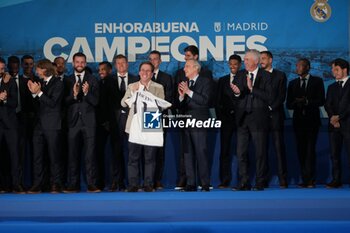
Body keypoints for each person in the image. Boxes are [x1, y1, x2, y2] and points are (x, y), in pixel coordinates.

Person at [121, 61, 166, 192]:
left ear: (152, 74)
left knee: (150, 157)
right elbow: (123, 103)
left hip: (151, 123)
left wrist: (146, 95)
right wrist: (133, 94)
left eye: (148, 71)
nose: (145, 73)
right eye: (142, 70)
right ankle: (133, 184)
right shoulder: (132, 86)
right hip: (134, 125)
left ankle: (148, 184)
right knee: (133, 157)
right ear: (139, 72)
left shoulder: (158, 87)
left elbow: (162, 105)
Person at [173, 45, 213, 190]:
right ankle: (190, 183)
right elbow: (179, 104)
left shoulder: (205, 82)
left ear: (195, 68)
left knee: (201, 151)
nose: (184, 69)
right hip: (185, 121)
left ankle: (205, 182)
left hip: (199, 121)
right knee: (187, 153)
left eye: (187, 67)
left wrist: (189, 92)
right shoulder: (184, 83)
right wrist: (181, 96)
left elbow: (204, 101)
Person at [232, 49, 272, 191]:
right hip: (243, 119)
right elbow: (236, 94)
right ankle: (244, 182)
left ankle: (261, 181)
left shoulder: (266, 76)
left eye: (247, 59)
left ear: (256, 61)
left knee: (260, 152)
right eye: (245, 59)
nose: (245, 62)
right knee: (241, 152)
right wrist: (237, 93)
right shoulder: (240, 74)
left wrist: (252, 88)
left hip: (259, 119)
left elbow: (269, 97)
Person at [63, 52, 100, 193]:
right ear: (73, 63)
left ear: (85, 63)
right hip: (73, 123)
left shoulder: (93, 80)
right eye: (77, 62)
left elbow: (96, 102)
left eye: (82, 62)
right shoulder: (67, 80)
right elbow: (64, 102)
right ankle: (73, 185)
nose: (80, 64)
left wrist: (86, 93)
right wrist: (73, 95)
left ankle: (91, 184)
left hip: (89, 123)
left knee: (90, 155)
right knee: (72, 154)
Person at [286, 58, 325, 188]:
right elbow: (289, 105)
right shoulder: (292, 84)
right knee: (301, 151)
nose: (297, 68)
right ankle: (305, 178)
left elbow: (321, 101)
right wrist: (297, 102)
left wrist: (307, 102)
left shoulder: (317, 81)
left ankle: (311, 179)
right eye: (296, 66)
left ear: (307, 67)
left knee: (310, 150)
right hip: (298, 123)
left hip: (312, 122)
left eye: (300, 66)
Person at [27, 59, 64, 194]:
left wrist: (39, 93)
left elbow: (53, 103)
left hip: (52, 125)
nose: (36, 71)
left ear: (44, 69)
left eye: (38, 69)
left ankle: (55, 183)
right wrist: (33, 93)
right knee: (37, 156)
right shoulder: (40, 83)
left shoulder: (58, 83)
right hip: (39, 125)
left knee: (54, 156)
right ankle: (38, 184)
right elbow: (37, 105)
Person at [108, 54, 139, 191]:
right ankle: (117, 181)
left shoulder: (135, 79)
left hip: (132, 120)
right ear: (115, 66)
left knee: (133, 151)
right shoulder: (108, 80)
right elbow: (105, 102)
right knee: (116, 151)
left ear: (127, 64)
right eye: (118, 63)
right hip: (115, 121)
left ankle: (134, 181)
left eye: (123, 63)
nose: (121, 65)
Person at [260, 51, 288, 188]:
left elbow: (282, 96)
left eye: (264, 58)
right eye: (260, 59)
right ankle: (263, 179)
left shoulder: (280, 75)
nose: (261, 61)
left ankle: (283, 179)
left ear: (271, 60)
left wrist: (271, 108)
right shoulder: (257, 75)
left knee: (279, 149)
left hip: (276, 117)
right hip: (261, 119)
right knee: (262, 150)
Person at [215, 54, 242, 188]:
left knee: (242, 151)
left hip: (242, 120)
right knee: (224, 151)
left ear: (240, 65)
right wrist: (221, 118)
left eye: (235, 64)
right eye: (230, 64)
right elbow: (218, 101)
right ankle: (224, 180)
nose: (232, 66)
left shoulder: (245, 79)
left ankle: (243, 180)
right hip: (226, 121)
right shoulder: (222, 80)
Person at [148, 50, 173, 189]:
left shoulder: (167, 78)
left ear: (160, 61)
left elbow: (169, 98)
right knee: (146, 150)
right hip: (144, 118)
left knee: (159, 150)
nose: (153, 61)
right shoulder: (142, 77)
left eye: (155, 59)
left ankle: (157, 179)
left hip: (160, 116)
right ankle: (147, 179)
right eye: (150, 59)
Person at [324, 58, 350, 188]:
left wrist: (339, 117)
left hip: (347, 125)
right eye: (333, 70)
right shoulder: (331, 87)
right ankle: (336, 180)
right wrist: (333, 118)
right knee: (334, 155)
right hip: (334, 126)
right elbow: (327, 104)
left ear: (344, 69)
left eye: (336, 69)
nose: (334, 72)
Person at [0, 58, 24, 194]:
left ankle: (16, 185)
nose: (1, 71)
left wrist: (5, 99)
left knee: (15, 155)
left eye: (3, 68)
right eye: (0, 68)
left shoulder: (10, 81)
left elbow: (14, 103)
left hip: (10, 124)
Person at [95, 61, 115, 190]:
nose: (101, 72)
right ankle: (100, 183)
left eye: (103, 69)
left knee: (115, 154)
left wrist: (108, 121)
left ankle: (116, 182)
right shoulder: (98, 83)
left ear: (110, 70)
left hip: (112, 124)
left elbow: (112, 104)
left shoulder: (112, 83)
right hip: (100, 124)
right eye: (99, 70)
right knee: (99, 155)